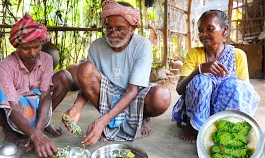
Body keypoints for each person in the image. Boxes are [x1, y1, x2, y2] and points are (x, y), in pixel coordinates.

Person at [64, 0, 171, 145]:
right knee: (84, 68)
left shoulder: (142, 45)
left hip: (134, 93)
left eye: (120, 28)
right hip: (108, 95)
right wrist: (76, 108)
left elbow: (132, 90)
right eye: (108, 27)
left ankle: (141, 119)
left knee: (162, 96)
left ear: (133, 28)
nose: (113, 33)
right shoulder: (96, 47)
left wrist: (101, 122)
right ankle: (110, 123)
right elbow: (87, 83)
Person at [0, 14, 73, 158]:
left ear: (42, 43)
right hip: (18, 110)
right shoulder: (5, 66)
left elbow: (45, 96)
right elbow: (13, 107)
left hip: (37, 106)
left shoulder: (46, 59)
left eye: (36, 47)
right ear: (16, 47)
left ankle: (43, 123)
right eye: (25, 48)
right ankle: (9, 130)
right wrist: (35, 135)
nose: (32, 53)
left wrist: (38, 131)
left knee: (64, 76)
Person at [172, 10, 260, 144]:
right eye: (200, 30)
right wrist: (200, 69)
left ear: (225, 30)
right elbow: (179, 89)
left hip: (222, 111)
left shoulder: (238, 55)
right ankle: (195, 127)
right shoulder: (194, 54)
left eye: (209, 29)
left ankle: (225, 130)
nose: (203, 34)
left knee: (235, 85)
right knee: (201, 81)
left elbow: (244, 92)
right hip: (198, 108)